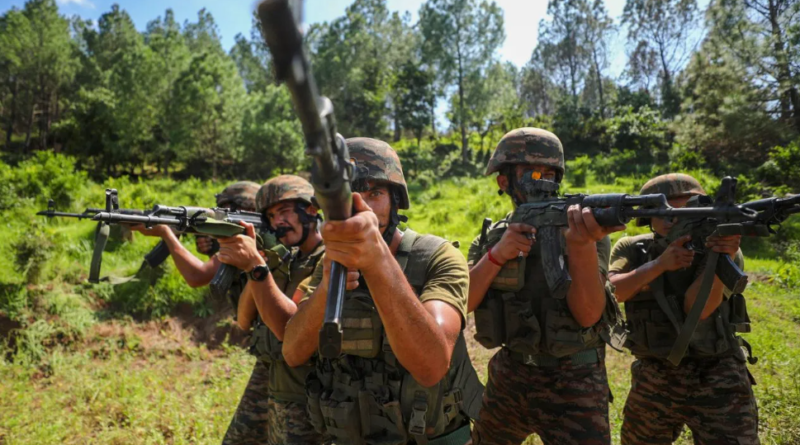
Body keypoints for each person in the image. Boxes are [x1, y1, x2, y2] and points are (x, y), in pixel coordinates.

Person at [282, 137, 483, 445]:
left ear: (396, 200)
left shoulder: (436, 257)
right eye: (352, 195)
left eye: (374, 193)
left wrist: (376, 261)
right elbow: (293, 352)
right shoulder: (327, 263)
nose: (362, 206)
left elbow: (431, 367)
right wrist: (325, 288)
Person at [467, 127, 624, 445]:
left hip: (575, 382)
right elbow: (463, 302)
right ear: (504, 181)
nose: (544, 181)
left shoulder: (585, 229)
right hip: (511, 376)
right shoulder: (491, 238)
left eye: (551, 173)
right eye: (532, 172)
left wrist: (580, 246)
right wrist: (498, 255)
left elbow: (589, 315)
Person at [608, 173, 759, 444]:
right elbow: (613, 292)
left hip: (717, 372)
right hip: (655, 372)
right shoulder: (633, 248)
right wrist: (658, 265)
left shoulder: (722, 247)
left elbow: (697, 309)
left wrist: (720, 254)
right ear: (648, 216)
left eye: (688, 209)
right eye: (666, 210)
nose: (675, 218)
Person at [215, 175, 328, 445]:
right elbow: (243, 321)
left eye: (285, 211)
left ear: (310, 210)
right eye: (272, 215)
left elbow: (291, 329)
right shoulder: (284, 261)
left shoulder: (328, 260)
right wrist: (258, 266)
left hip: (308, 395)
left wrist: (257, 266)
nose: (278, 222)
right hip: (275, 385)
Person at [129, 181, 261, 287]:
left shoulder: (256, 240)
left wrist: (165, 233)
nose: (224, 214)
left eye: (231, 209)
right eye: (223, 209)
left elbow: (197, 277)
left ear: (251, 209)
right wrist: (213, 249)